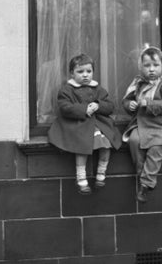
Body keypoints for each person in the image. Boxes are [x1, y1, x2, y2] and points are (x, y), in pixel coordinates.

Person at [48, 53, 122, 195]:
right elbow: (65, 107)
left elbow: (110, 105)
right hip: (78, 124)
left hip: (98, 124)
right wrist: (83, 109)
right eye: (80, 72)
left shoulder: (98, 89)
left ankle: (101, 172)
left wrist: (98, 105)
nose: (85, 75)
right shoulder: (67, 89)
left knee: (107, 143)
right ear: (72, 73)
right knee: (81, 145)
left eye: (89, 71)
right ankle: (81, 177)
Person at [122, 46, 162, 203]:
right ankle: (141, 174)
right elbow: (127, 99)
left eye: (155, 65)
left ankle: (147, 184)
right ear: (141, 67)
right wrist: (129, 105)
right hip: (142, 123)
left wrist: (148, 103)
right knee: (134, 140)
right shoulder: (138, 83)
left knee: (156, 148)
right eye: (147, 66)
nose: (151, 69)